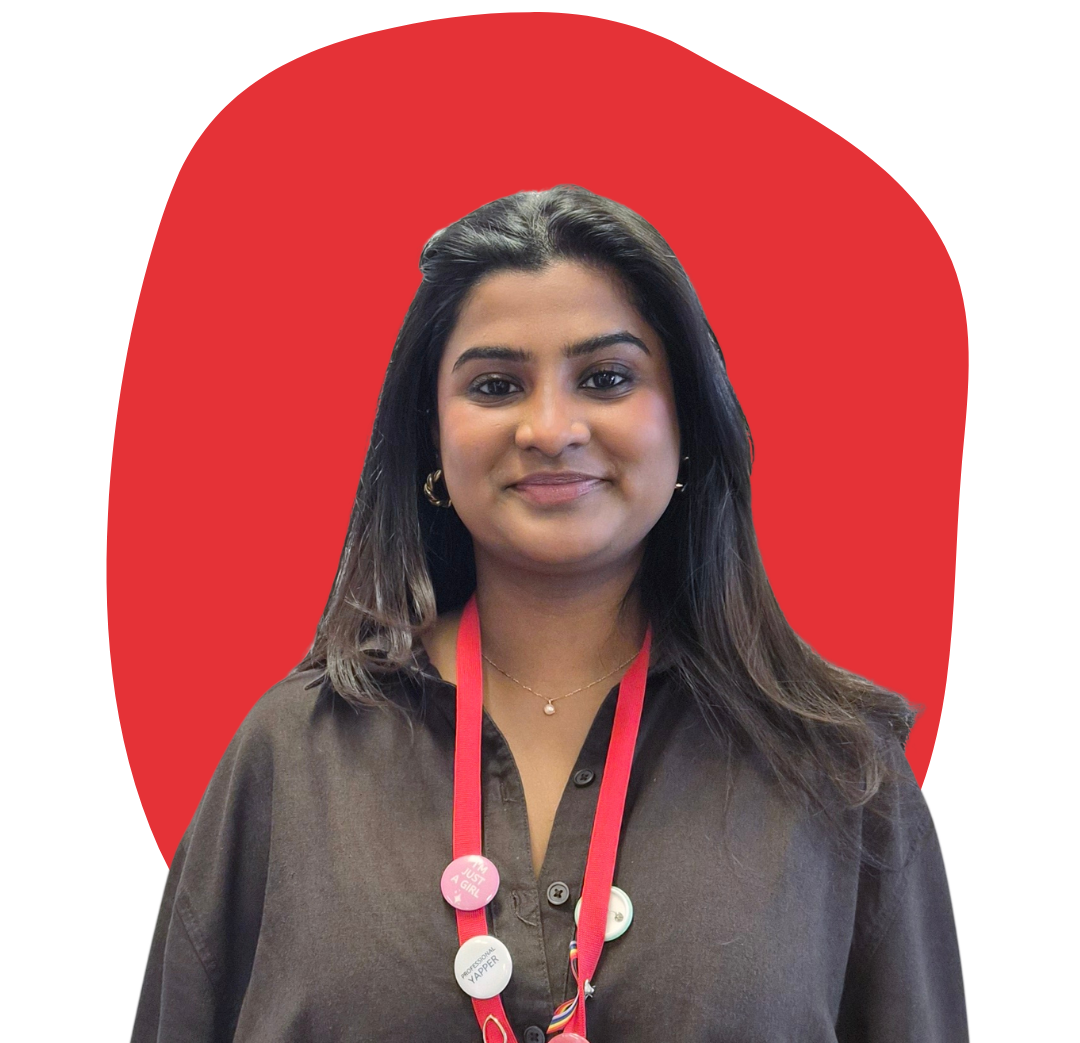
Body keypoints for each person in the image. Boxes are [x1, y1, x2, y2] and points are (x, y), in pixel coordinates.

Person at [131, 185, 967, 1042]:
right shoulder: (291, 759)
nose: (550, 427)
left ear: (684, 423)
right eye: (495, 385)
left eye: (606, 378)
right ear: (432, 437)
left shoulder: (838, 774)